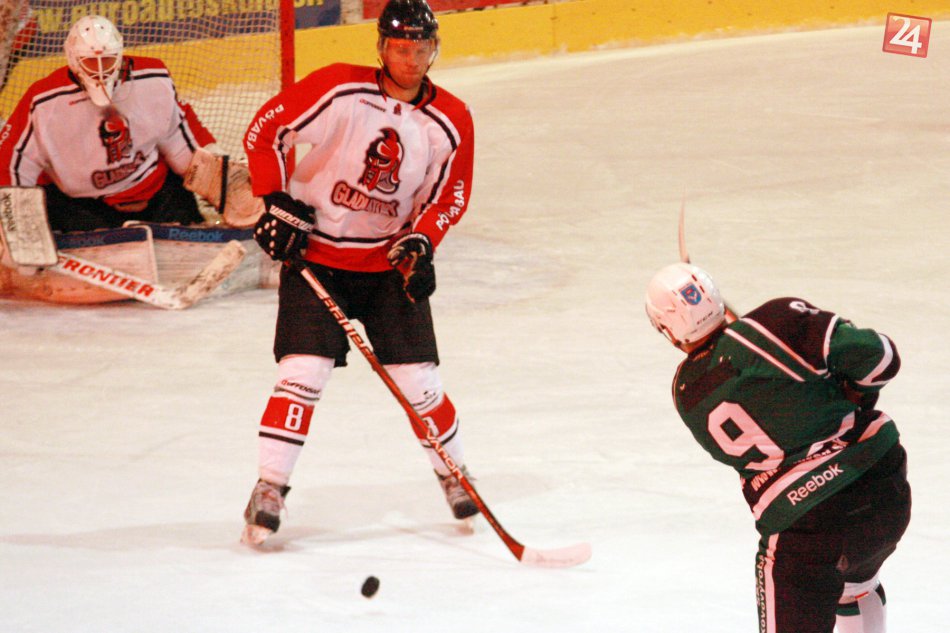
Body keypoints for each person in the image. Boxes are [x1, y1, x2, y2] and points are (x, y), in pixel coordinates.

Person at [239, 0, 477, 546]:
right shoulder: (339, 88)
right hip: (317, 258)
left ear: (434, 49)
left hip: (387, 264)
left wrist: (423, 240)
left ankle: (454, 473)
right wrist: (275, 200)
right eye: (400, 48)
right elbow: (265, 131)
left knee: (419, 381)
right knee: (303, 372)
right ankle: (269, 487)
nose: (410, 59)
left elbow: (450, 195)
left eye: (421, 48)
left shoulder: (451, 119)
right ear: (382, 48)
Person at [644, 262, 911, 633]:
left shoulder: (686, 393)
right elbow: (882, 358)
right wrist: (855, 395)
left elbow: (745, 371)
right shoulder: (778, 321)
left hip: (802, 525)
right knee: (857, 586)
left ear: (667, 331)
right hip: (880, 489)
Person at [0, 15, 215, 232]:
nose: (100, 70)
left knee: (191, 227)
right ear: (73, 58)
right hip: (83, 205)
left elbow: (179, 141)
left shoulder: (153, 77)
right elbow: (12, 163)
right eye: (91, 61)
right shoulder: (42, 101)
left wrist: (219, 182)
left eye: (108, 59)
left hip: (156, 194)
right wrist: (15, 226)